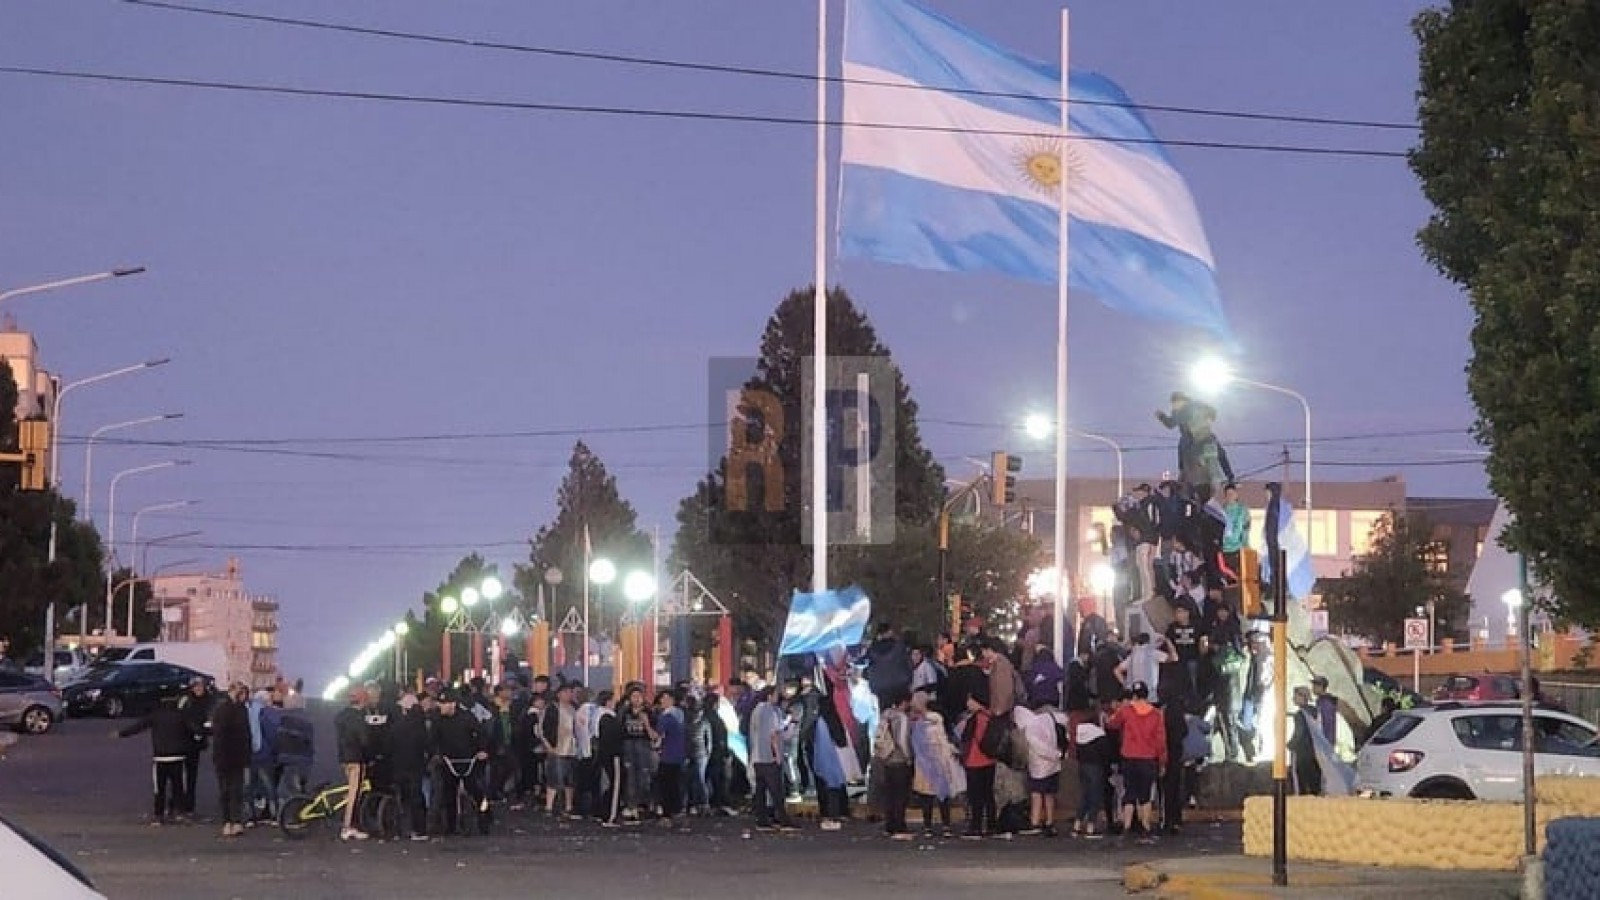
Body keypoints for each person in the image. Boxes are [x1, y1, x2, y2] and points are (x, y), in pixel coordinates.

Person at [115, 694, 200, 825]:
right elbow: (195, 730)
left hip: (160, 757)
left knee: (159, 789)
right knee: (178, 787)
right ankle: (179, 813)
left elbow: (138, 726)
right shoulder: (181, 716)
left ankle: (158, 815)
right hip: (177, 757)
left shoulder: (155, 716)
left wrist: (121, 733)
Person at [1107, 681, 1167, 845]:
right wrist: (1162, 761)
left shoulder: (1126, 711)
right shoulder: (1156, 714)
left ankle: (1126, 828)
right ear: (1147, 695)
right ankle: (1145, 828)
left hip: (1129, 757)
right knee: (1145, 795)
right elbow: (1161, 741)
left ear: (1133, 695)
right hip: (1148, 759)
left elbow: (1112, 723)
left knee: (1129, 793)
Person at [431, 691, 491, 836]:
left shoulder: (467, 718)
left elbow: (481, 734)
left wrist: (482, 750)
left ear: (453, 704)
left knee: (476, 791)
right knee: (448, 793)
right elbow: (433, 739)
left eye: (444, 704)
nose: (441, 707)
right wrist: (437, 754)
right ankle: (450, 826)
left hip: (469, 760)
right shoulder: (438, 720)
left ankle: (485, 817)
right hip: (449, 761)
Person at [909, 692, 959, 838]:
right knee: (939, 795)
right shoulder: (932, 719)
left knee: (929, 795)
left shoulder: (929, 719)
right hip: (935, 759)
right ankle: (944, 825)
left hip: (928, 760)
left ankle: (930, 826)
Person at [1014, 700, 1068, 837]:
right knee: (1049, 794)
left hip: (1039, 767)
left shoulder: (1029, 730)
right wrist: (1058, 755)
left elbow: (1040, 748)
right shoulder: (1046, 718)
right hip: (1054, 766)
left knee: (1036, 794)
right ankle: (1050, 822)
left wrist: (1055, 755)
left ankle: (1035, 822)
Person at [749, 684, 798, 831]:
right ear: (769, 696)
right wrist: (777, 755)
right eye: (776, 694)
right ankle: (782, 819)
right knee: (777, 790)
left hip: (757, 756)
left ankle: (762, 820)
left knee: (761, 790)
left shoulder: (757, 710)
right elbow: (774, 734)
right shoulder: (769, 710)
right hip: (769, 756)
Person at [211, 682, 253, 838]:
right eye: (242, 693)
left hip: (229, 756)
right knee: (230, 790)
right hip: (230, 756)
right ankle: (230, 821)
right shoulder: (227, 709)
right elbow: (223, 735)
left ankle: (232, 822)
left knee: (232, 790)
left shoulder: (231, 709)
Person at [390, 689, 432, 842]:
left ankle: (399, 829)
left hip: (399, 766)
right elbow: (428, 745)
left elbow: (389, 745)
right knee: (417, 797)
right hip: (417, 766)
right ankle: (419, 830)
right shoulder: (421, 726)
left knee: (401, 798)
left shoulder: (397, 726)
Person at [333, 686, 372, 841]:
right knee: (354, 793)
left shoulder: (341, 716)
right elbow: (364, 740)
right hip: (357, 758)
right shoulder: (358, 717)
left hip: (344, 758)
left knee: (351, 790)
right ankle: (348, 827)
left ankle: (349, 825)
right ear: (362, 698)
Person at [874, 694, 914, 840]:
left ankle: (890, 825)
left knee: (890, 794)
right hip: (899, 759)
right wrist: (908, 757)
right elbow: (902, 740)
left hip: (887, 759)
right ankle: (899, 825)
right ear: (904, 702)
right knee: (900, 795)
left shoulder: (885, 715)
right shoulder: (901, 718)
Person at [176, 677, 214, 817]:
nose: (199, 689)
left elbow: (209, 717)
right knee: (179, 774)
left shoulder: (208, 700)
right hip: (182, 741)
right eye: (196, 687)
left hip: (196, 743)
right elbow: (180, 718)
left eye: (201, 687)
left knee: (192, 775)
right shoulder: (186, 700)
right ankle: (177, 803)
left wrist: (205, 729)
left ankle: (189, 806)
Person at [619, 685, 657, 821]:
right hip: (628, 744)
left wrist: (646, 722)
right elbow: (621, 729)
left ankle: (643, 804)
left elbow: (654, 734)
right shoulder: (625, 712)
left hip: (643, 744)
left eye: (639, 697)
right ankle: (631, 805)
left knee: (643, 776)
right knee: (630, 777)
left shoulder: (649, 712)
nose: (636, 699)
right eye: (633, 696)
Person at [1073, 709, 1111, 839]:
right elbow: (1106, 753)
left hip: (1082, 766)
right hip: (1096, 767)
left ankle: (1077, 825)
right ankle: (1091, 826)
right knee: (1095, 796)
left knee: (1085, 795)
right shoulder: (1099, 735)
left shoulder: (1080, 733)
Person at [245, 689, 281, 824]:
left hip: (249, 754)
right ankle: (273, 815)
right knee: (269, 786)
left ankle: (251, 817)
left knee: (249, 787)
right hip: (264, 754)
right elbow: (272, 735)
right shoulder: (268, 713)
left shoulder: (248, 711)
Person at [543, 682, 578, 817]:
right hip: (557, 748)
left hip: (572, 748)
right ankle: (550, 805)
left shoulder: (574, 708)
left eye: (570, 692)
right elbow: (544, 728)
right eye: (566, 692)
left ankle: (569, 805)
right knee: (555, 777)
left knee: (570, 778)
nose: (569, 695)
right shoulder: (552, 708)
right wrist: (548, 745)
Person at [593, 690, 626, 828]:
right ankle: (610, 815)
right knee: (616, 783)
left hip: (605, 754)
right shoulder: (607, 718)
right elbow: (614, 737)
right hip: (612, 755)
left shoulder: (598, 715)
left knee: (611, 783)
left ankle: (605, 812)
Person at [655, 690, 686, 829]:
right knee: (675, 785)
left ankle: (667, 815)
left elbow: (657, 736)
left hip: (667, 755)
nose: (663, 701)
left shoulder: (666, 716)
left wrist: (645, 722)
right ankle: (678, 812)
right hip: (679, 754)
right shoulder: (680, 714)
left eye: (665, 698)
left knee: (666, 786)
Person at [865, 623, 913, 709]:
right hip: (900, 687)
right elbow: (908, 664)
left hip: (878, 688)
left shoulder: (870, 649)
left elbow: (865, 669)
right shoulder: (900, 646)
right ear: (889, 632)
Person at [1290, 686, 1322, 796]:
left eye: (1295, 696)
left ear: (1302, 697)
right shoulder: (1314, 711)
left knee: (1301, 781)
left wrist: (1290, 745)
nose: (1293, 698)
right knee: (1313, 780)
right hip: (1314, 752)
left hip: (1301, 752)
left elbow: (1299, 733)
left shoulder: (1300, 714)